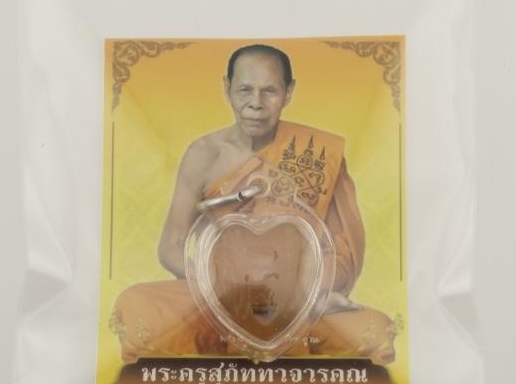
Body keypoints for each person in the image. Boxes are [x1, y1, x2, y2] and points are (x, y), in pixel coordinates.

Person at [110, 44, 396, 364]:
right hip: (218, 295)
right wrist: (225, 290)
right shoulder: (204, 155)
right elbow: (171, 246)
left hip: (296, 301)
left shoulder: (319, 153)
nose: (256, 104)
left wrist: (307, 293)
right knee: (137, 306)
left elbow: (343, 249)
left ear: (288, 92)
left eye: (269, 91)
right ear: (227, 89)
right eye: (245, 90)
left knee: (376, 329)